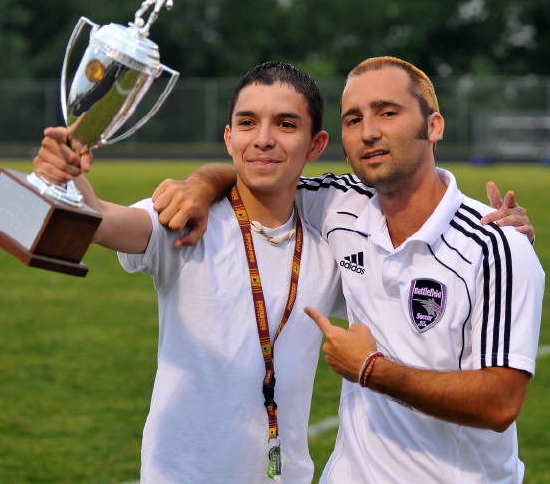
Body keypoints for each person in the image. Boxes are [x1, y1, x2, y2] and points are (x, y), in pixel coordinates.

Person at [151, 57, 542, 483]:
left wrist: (370, 370)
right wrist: (200, 184)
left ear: (433, 126)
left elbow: (499, 404)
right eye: (353, 119)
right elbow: (259, 173)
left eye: (387, 113)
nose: (368, 131)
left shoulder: (495, 245)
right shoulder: (337, 203)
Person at [33, 61, 346, 484]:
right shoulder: (187, 219)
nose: (264, 139)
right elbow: (100, 219)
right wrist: (67, 174)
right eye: (248, 123)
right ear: (229, 137)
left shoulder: (328, 249)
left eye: (286, 124)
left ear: (316, 144)